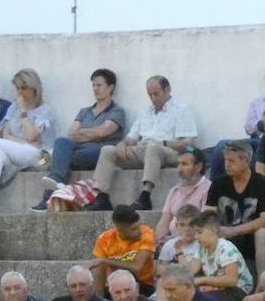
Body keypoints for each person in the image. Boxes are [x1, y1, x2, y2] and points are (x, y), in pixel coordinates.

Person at [86, 75, 195, 212]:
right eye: (150, 95)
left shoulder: (182, 110)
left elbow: (189, 143)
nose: (153, 98)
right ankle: (101, 197)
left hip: (169, 151)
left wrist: (164, 143)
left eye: (157, 94)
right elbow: (132, 137)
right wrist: (122, 144)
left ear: (167, 90)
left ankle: (145, 196)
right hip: (144, 150)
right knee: (108, 150)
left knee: (152, 147)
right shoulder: (145, 112)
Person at [35, 68, 125, 211]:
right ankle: (56, 180)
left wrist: (83, 132)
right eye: (93, 85)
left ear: (110, 87)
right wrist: (91, 134)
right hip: (80, 151)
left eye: (99, 85)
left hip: (100, 152)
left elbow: (103, 132)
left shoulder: (117, 111)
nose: (95, 89)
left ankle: (47, 199)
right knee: (61, 142)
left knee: (61, 158)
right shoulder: (85, 111)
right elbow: (71, 134)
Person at [0, 69, 53, 205]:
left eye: (23, 88)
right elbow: (2, 135)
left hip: (39, 157)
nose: (19, 92)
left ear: (34, 88)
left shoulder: (44, 109)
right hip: (18, 154)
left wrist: (23, 111)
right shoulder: (13, 108)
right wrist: (23, 142)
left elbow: (31, 135)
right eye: (17, 88)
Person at [204, 140, 265, 271]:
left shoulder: (263, 183)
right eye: (225, 160)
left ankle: (263, 281)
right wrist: (216, 229)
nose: (226, 165)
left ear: (246, 161)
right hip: (224, 233)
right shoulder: (218, 183)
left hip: (252, 235)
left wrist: (234, 230)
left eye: (232, 161)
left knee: (263, 232)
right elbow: (208, 214)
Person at [91, 205, 156, 296]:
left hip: (143, 286)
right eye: (134, 229)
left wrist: (105, 260)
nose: (139, 231)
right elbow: (100, 276)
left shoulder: (146, 233)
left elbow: (137, 267)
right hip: (115, 286)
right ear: (120, 229)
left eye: (138, 226)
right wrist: (99, 300)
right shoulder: (105, 239)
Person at [153, 146, 209, 243]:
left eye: (184, 164)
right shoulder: (174, 191)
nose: (179, 169)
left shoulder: (209, 189)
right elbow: (164, 221)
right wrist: (160, 239)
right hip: (171, 242)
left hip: (194, 243)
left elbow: (203, 224)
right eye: (178, 164)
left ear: (198, 167)